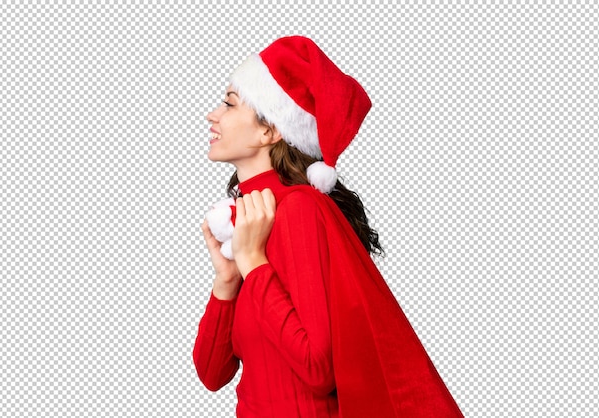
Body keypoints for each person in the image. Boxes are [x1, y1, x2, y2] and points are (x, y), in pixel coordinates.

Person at [193, 36, 463, 418]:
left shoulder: (301, 210)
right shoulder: (251, 222)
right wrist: (227, 281)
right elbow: (211, 374)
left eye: (229, 104)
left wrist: (254, 262)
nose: (213, 115)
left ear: (270, 131)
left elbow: (317, 369)